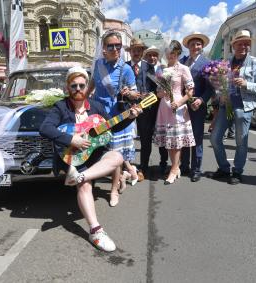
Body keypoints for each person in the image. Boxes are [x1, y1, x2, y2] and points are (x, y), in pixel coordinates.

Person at [40, 66, 142, 252]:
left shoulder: (96, 106)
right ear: (67, 87)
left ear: (87, 87)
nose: (78, 89)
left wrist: (130, 117)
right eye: (74, 86)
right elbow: (45, 128)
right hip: (73, 157)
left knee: (117, 156)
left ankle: (79, 177)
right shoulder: (60, 107)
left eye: (81, 85)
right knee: (86, 187)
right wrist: (72, 139)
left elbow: (112, 126)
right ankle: (95, 231)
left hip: (94, 155)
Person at [210, 30, 256, 185]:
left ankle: (237, 171)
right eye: (240, 43)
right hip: (226, 106)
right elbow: (219, 85)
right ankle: (224, 168)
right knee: (215, 139)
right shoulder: (225, 63)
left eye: (247, 44)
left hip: (245, 107)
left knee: (240, 142)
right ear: (233, 45)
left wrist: (247, 84)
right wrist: (219, 93)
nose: (244, 46)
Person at [87, 31, 140, 206]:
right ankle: (119, 179)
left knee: (115, 156)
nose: (116, 49)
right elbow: (92, 85)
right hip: (97, 117)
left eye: (118, 45)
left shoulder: (125, 69)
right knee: (98, 153)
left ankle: (113, 190)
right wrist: (80, 99)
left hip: (116, 117)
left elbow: (135, 94)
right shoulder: (98, 65)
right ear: (104, 48)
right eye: (111, 46)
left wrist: (129, 93)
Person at [155, 40, 196, 185]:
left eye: (173, 52)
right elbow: (158, 93)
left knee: (176, 141)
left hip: (178, 106)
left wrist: (179, 102)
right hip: (164, 107)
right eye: (168, 52)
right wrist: (162, 92)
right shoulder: (161, 69)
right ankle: (175, 167)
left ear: (178, 53)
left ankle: (173, 169)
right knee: (169, 140)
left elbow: (190, 91)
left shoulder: (184, 68)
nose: (170, 55)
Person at [126, 39, 168, 180]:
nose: (136, 52)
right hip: (127, 109)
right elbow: (119, 86)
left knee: (145, 140)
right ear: (130, 51)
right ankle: (124, 169)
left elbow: (156, 88)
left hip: (146, 109)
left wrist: (150, 94)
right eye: (134, 49)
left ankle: (144, 168)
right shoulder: (124, 67)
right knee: (125, 139)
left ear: (142, 51)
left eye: (139, 50)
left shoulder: (149, 67)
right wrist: (126, 92)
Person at [180, 32, 215, 182]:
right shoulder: (181, 62)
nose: (195, 46)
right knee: (184, 136)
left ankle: (196, 169)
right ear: (188, 46)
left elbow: (211, 88)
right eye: (192, 44)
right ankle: (184, 165)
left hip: (197, 106)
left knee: (197, 137)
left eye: (198, 44)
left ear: (202, 46)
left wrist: (201, 100)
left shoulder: (207, 64)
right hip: (183, 106)